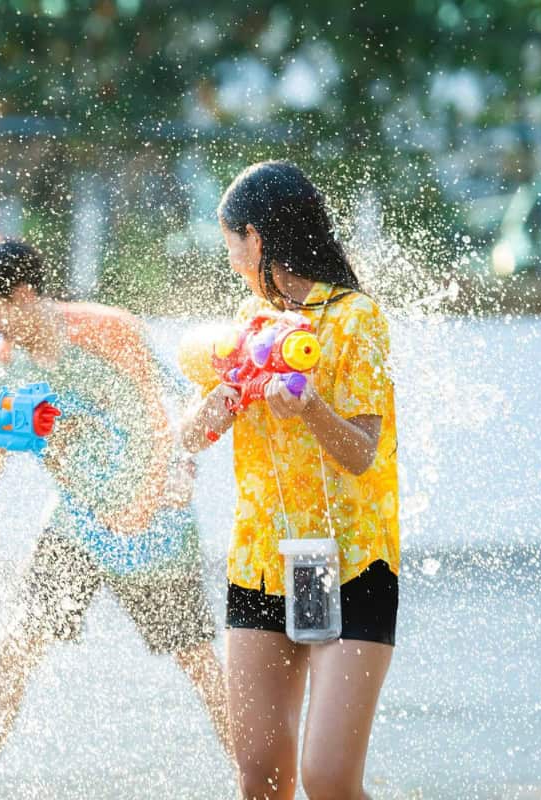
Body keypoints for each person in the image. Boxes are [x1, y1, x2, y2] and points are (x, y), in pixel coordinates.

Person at [0, 238, 234, 800]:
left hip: (157, 522)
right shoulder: (4, 373)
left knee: (199, 663)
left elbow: (174, 412)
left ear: (25, 294)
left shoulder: (109, 329)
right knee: (15, 652)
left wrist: (162, 483)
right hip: (79, 523)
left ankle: (269, 785)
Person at [180, 161, 400, 800]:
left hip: (353, 559)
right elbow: (187, 436)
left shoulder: (357, 319)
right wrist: (216, 405)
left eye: (231, 245)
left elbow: (362, 453)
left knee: (328, 780)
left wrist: (309, 407)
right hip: (263, 561)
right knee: (260, 777)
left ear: (256, 236)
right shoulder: (249, 326)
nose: (231, 262)